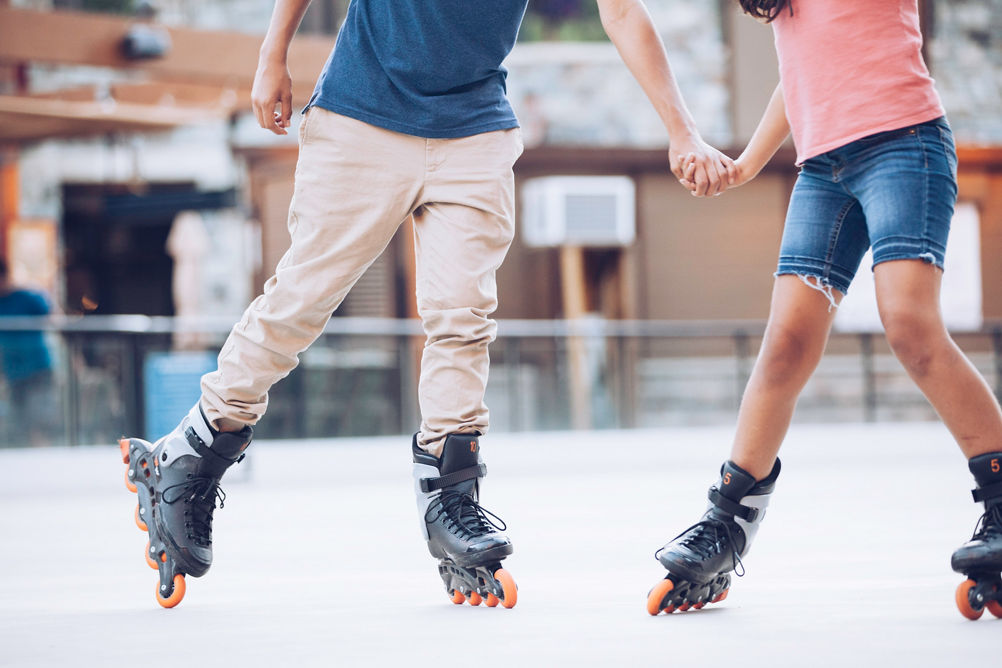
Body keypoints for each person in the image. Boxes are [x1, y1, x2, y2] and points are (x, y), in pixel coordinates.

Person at [120, 0, 734, 608]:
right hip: (363, 112)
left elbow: (622, 11)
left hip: (475, 127)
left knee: (464, 316)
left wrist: (682, 129)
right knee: (302, 300)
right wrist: (272, 53)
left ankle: (452, 496)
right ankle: (190, 455)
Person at [648, 0, 1002, 620]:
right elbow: (804, 73)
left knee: (909, 324)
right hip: (824, 171)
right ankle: (727, 521)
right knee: (785, 343)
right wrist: (744, 167)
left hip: (903, 145)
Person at [0, 257, 58, 448]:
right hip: (13, 372)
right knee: (20, 422)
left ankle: (45, 459)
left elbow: (53, 316)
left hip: (37, 369)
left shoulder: (28, 297)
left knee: (39, 420)